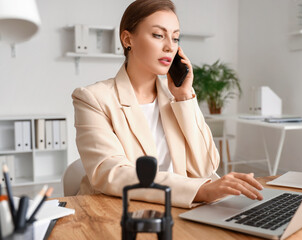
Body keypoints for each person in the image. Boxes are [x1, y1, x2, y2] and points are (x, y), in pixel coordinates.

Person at [72, 0, 263, 208]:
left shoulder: (178, 98)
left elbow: (206, 167)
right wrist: (199, 190)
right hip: (119, 212)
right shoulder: (92, 98)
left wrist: (184, 98)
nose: (170, 47)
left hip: (177, 209)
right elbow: (110, 173)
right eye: (158, 35)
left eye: (175, 37)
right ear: (128, 39)